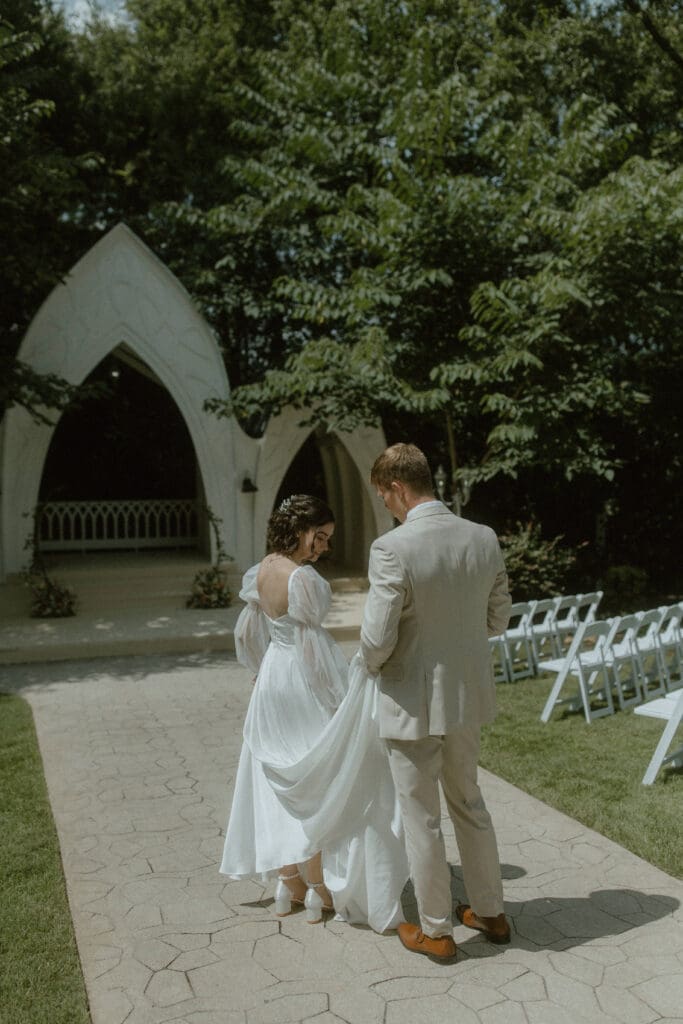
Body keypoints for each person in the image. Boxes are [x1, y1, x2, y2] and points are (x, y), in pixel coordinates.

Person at [220, 494, 408, 931]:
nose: (322, 547)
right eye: (318, 537)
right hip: (303, 681)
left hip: (273, 679)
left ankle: (291, 884)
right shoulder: (303, 578)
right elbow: (311, 652)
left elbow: (248, 632)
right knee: (318, 781)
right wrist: (336, 699)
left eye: (326, 540)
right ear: (299, 529)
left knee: (281, 780)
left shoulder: (263, 568)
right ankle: (320, 887)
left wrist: (259, 671)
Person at [360, 443, 512, 963]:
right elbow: (497, 620)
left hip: (411, 698)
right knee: (469, 800)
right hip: (467, 694)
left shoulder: (391, 548)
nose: (388, 508)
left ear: (398, 488)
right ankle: (491, 911)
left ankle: (437, 930)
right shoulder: (484, 538)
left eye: (386, 498)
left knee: (421, 815)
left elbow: (377, 638)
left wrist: (371, 665)